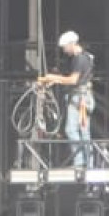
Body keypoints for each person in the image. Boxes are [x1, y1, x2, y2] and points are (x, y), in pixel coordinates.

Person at [37, 30, 96, 168]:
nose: (64, 50)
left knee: (72, 130)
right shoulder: (85, 57)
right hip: (82, 97)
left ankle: (82, 162)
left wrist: (53, 78)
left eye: (64, 47)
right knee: (83, 131)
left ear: (71, 44)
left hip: (80, 99)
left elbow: (73, 80)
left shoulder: (79, 58)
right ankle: (86, 162)